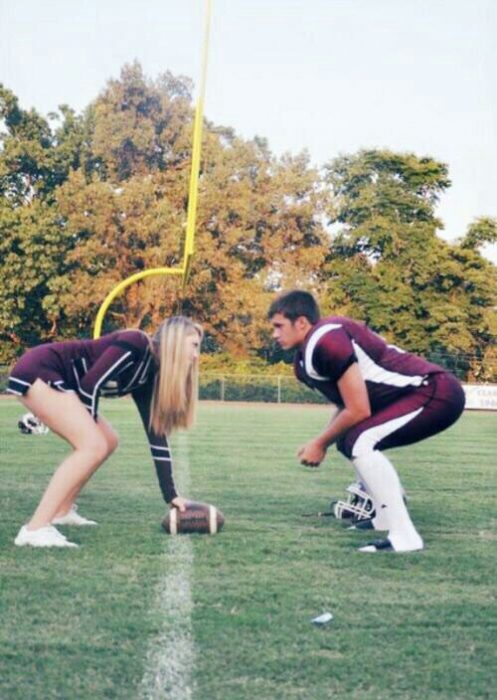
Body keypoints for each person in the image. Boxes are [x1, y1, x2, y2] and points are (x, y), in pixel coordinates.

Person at [268, 290, 465, 553]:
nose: (274, 334)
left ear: (301, 322)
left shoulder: (326, 340)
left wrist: (320, 443)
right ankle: (384, 518)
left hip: (435, 391)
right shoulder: (305, 359)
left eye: (279, 326)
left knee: (360, 441)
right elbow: (345, 404)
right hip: (418, 393)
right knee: (348, 441)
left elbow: (358, 409)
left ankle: (405, 537)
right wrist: (326, 439)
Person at [7, 316, 203, 548]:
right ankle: (35, 528)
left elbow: (156, 434)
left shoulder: (149, 374)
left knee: (108, 441)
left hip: (68, 387)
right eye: (194, 345)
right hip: (42, 369)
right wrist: (84, 430)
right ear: (176, 341)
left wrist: (171, 495)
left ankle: (62, 511)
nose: (196, 355)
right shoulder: (137, 342)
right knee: (93, 446)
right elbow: (91, 385)